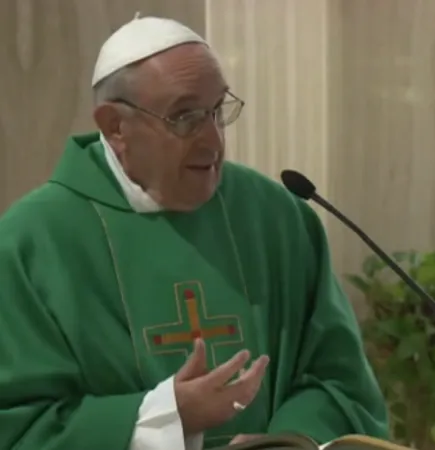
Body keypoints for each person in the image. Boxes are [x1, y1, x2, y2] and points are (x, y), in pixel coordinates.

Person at [0, 15, 389, 450]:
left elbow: (339, 381)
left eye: (217, 111)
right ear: (115, 127)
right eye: (185, 117)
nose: (213, 141)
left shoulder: (276, 217)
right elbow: (17, 426)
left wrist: (288, 440)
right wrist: (165, 418)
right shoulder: (33, 242)